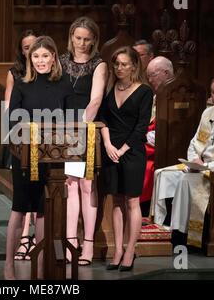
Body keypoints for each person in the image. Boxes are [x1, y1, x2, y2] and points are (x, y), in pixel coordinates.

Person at [4, 35, 74, 279]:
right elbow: (12, 119)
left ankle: (42, 267)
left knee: (44, 209)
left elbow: (71, 118)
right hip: (26, 154)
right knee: (20, 208)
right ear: (29, 58)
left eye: (45, 55)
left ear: (54, 57)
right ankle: (9, 268)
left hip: (53, 155)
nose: (40, 60)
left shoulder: (64, 82)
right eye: (36, 56)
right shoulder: (22, 83)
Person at [151, 74, 214, 248]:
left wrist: (206, 166)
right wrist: (194, 159)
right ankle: (161, 230)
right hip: (199, 164)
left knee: (186, 180)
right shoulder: (209, 112)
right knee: (162, 174)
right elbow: (194, 142)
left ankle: (181, 235)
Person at [99, 46, 153, 271]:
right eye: (116, 64)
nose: (119, 68)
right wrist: (108, 144)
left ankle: (131, 249)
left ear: (134, 65)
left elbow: (142, 127)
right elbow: (102, 119)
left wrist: (122, 150)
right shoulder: (110, 88)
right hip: (111, 149)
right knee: (117, 200)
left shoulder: (144, 91)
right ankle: (118, 249)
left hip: (132, 151)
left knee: (131, 200)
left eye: (124, 64)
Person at [60, 16, 108, 265]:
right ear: (71, 37)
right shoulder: (62, 61)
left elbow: (96, 99)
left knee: (87, 185)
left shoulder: (98, 64)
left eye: (87, 39)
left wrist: (79, 129)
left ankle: (88, 243)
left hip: (85, 130)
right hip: (62, 129)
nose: (82, 43)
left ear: (94, 40)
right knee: (69, 184)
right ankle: (71, 242)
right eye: (78, 38)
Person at [0, 29, 39, 261]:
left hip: (43, 138)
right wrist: (10, 137)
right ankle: (24, 237)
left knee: (38, 187)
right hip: (20, 136)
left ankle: (35, 237)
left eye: (35, 46)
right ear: (21, 51)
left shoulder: (47, 71)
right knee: (22, 191)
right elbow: (8, 106)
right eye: (26, 47)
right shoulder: (15, 73)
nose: (31, 51)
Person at [140, 56, 174, 216]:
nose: (149, 79)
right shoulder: (155, 96)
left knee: (143, 166)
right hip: (149, 144)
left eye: (152, 75)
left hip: (165, 150)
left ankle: (143, 210)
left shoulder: (176, 96)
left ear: (166, 73)